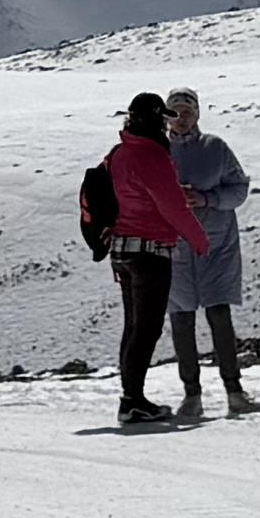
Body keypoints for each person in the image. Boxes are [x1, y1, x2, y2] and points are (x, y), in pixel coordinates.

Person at [74, 91, 196, 430]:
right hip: (150, 252)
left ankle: (132, 399)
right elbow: (171, 206)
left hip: (122, 251)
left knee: (133, 327)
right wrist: (199, 240)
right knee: (147, 328)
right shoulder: (152, 156)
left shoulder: (118, 153)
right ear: (158, 118)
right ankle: (132, 402)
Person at [163, 89, 256, 417]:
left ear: (198, 114)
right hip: (174, 247)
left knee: (220, 316)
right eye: (174, 111)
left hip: (215, 245)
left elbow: (239, 188)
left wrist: (207, 200)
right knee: (181, 319)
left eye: (187, 110)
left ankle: (234, 392)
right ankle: (192, 396)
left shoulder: (215, 148)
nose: (181, 117)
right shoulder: (158, 151)